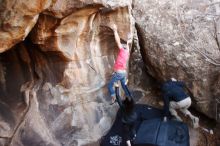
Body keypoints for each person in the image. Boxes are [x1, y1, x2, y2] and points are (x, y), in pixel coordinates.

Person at [107, 24, 132, 104]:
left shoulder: (122, 51)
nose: (121, 46)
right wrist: (128, 42)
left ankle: (113, 97)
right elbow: (127, 46)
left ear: (122, 48)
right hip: (123, 73)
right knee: (124, 86)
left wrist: (115, 31)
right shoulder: (127, 52)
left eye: (122, 46)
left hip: (119, 73)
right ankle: (129, 97)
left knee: (110, 85)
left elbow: (118, 41)